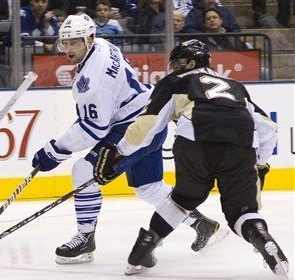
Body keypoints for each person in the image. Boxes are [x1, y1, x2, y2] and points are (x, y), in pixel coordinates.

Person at [31, 15, 220, 265]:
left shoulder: (93, 82)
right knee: (149, 187)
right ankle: (200, 223)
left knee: (84, 170)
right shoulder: (101, 45)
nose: (68, 49)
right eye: (65, 43)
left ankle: (85, 238)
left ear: (89, 39)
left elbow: (94, 128)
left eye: (74, 43)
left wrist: (55, 151)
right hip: (149, 115)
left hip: (136, 127)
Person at [93, 39, 289, 277]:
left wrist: (120, 152)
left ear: (192, 62)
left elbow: (147, 124)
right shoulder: (235, 86)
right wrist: (260, 164)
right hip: (241, 143)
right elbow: (269, 129)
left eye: (177, 63)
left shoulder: (173, 82)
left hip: (195, 138)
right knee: (242, 211)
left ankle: (143, 249)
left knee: (181, 200)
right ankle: (262, 237)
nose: (173, 69)